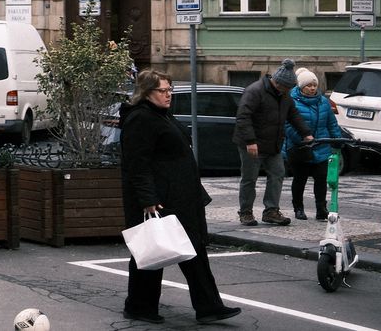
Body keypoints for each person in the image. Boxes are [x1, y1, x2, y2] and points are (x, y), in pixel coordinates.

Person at [121, 69, 241, 325]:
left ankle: (208, 306)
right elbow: (136, 164)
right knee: (153, 252)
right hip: (161, 198)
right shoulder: (140, 118)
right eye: (162, 91)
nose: (168, 95)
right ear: (146, 92)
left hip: (180, 195)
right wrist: (148, 199)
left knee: (193, 250)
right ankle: (139, 306)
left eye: (170, 90)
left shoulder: (161, 114)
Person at [232, 59, 314, 226]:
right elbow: (243, 117)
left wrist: (305, 133)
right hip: (251, 144)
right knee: (249, 178)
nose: (287, 91)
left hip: (273, 143)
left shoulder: (284, 95)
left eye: (289, 89)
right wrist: (250, 141)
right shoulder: (255, 91)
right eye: (285, 88)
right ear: (277, 82)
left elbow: (293, 115)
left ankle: (271, 211)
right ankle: (246, 212)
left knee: (278, 173)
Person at [284, 68, 344, 221]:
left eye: (314, 85)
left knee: (321, 179)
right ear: (301, 86)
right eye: (308, 85)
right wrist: (302, 138)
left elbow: (331, 123)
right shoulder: (292, 101)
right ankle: (298, 208)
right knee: (300, 179)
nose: (312, 88)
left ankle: (321, 209)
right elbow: (288, 125)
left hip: (321, 146)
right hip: (300, 148)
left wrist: (337, 139)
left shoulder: (323, 101)